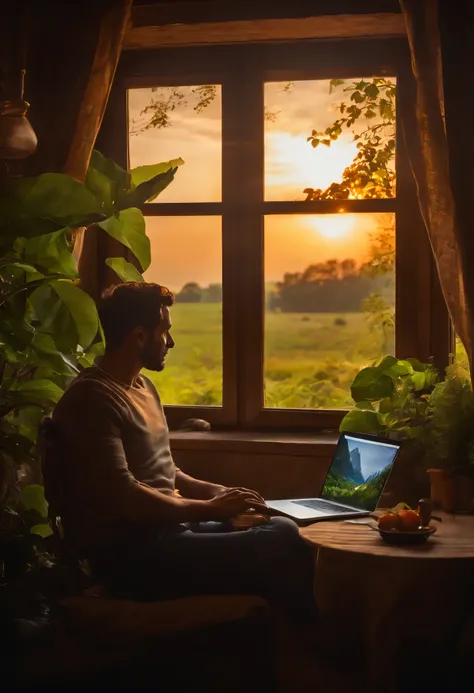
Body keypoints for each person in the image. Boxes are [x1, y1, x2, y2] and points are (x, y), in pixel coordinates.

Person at [53, 282, 316, 623]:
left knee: (277, 525)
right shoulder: (92, 399)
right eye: (165, 332)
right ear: (139, 336)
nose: (171, 342)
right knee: (279, 540)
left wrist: (214, 492)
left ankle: (292, 643)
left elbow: (162, 468)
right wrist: (208, 508)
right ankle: (312, 644)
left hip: (170, 533)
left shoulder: (143, 387)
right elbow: (126, 496)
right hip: (134, 555)